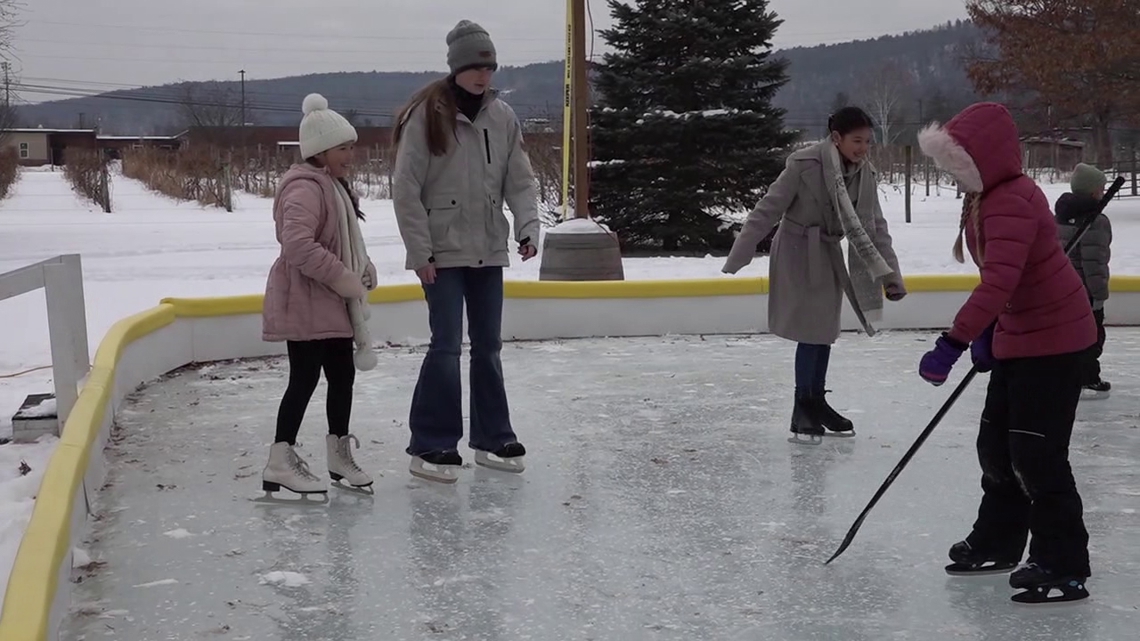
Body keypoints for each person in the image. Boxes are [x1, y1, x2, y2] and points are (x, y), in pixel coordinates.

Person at [916, 102, 1095, 604]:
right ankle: (999, 540)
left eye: (958, 165)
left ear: (984, 159)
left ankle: (1063, 562)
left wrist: (953, 342)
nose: (952, 176)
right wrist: (994, 331)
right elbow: (1005, 283)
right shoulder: (983, 197)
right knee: (996, 445)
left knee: (1037, 453)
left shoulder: (1011, 199)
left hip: (1057, 340)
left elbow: (999, 280)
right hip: (1023, 332)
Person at [391, 20, 540, 483]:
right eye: (475, 66)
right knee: (446, 346)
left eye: (489, 66)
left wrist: (527, 226)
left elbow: (520, 178)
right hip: (443, 252)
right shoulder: (425, 115)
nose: (483, 74)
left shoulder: (502, 116)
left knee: (489, 346)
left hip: (488, 248)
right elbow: (405, 188)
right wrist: (420, 252)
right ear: (457, 68)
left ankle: (494, 437)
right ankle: (432, 443)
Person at [722, 106, 906, 445]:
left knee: (823, 332)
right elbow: (768, 208)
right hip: (796, 251)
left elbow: (876, 227)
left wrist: (890, 276)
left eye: (868, 141)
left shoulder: (865, 174)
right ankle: (804, 406)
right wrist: (741, 252)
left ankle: (815, 402)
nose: (863, 148)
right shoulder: (804, 164)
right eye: (857, 141)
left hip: (828, 253)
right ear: (836, 138)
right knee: (811, 331)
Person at [260, 93, 378, 496]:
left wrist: (362, 266)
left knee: (342, 376)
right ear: (321, 151)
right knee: (305, 378)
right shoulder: (305, 188)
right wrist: (343, 277)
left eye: (351, 147)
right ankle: (279, 460)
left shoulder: (334, 185)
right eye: (343, 148)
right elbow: (298, 245)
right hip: (305, 299)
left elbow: (343, 238)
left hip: (329, 301)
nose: (351, 155)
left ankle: (337, 455)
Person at [1055, 162, 1112, 398]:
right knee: (1091, 335)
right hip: (1085, 292)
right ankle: (1087, 378)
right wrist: (1099, 294)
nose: (1103, 192)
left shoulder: (1059, 216)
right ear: (1093, 192)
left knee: (1065, 335)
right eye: (1101, 189)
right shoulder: (1097, 222)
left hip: (1061, 290)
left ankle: (1062, 376)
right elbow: (1094, 263)